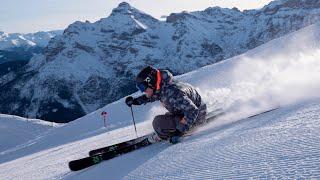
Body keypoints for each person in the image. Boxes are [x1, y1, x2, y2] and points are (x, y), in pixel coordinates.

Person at [125, 66, 207, 142]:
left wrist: (179, 132)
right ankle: (170, 129)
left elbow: (192, 110)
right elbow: (154, 95)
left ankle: (164, 135)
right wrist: (136, 101)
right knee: (166, 117)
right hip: (193, 112)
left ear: (150, 82)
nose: (143, 91)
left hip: (196, 118)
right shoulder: (163, 86)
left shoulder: (172, 93)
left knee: (158, 123)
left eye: (143, 87)